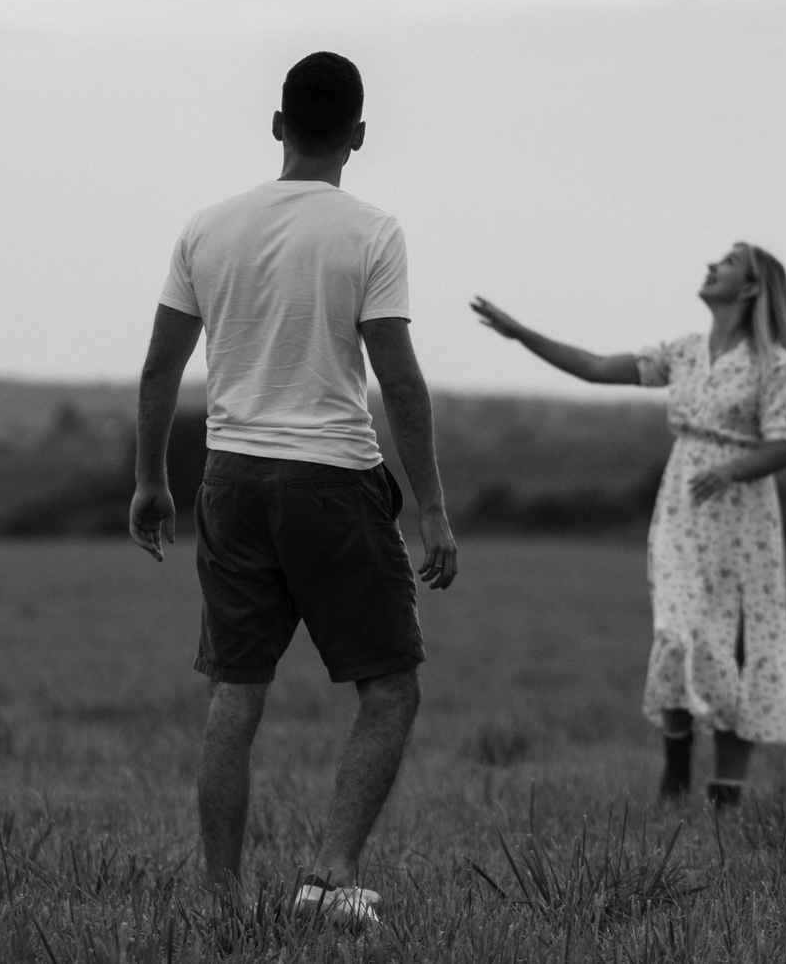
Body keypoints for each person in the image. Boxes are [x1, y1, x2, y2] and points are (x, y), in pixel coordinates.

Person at [130, 51, 459, 932]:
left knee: (235, 692)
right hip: (330, 481)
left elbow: (163, 364)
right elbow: (400, 379)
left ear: (278, 126)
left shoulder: (207, 228)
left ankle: (222, 903)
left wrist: (152, 479)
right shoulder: (372, 232)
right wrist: (429, 506)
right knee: (388, 687)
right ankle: (328, 878)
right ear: (357, 135)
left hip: (229, 480)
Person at [470, 243, 786, 805]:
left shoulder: (774, 364)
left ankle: (726, 791)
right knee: (677, 635)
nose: (710, 265)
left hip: (742, 521)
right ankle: (675, 779)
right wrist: (521, 335)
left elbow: (781, 449)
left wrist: (730, 470)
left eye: (726, 263)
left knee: (738, 642)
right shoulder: (684, 351)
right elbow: (598, 368)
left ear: (750, 289)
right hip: (680, 510)